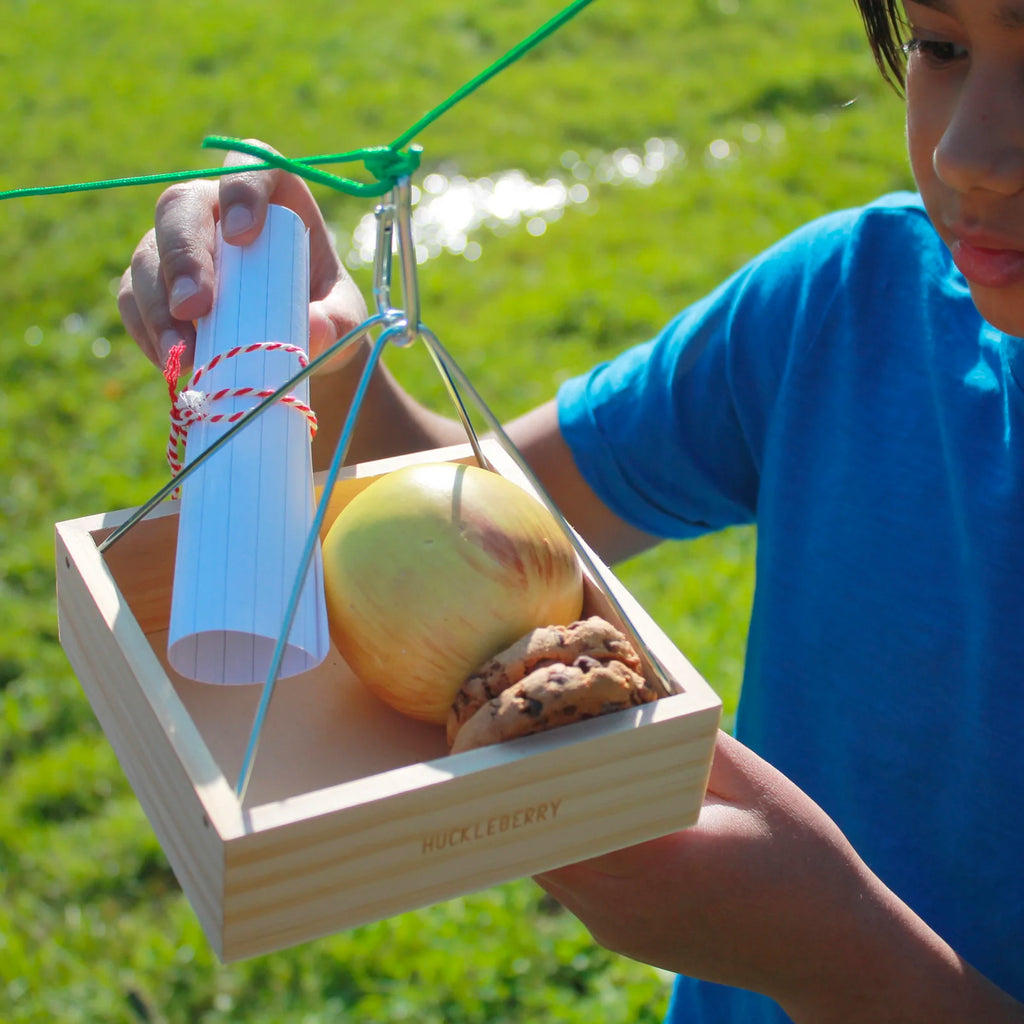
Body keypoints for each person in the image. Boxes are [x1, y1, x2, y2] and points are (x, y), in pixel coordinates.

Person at [119, 0, 1024, 1019]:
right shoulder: (843, 306)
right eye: (942, 46)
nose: (966, 153)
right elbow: (493, 531)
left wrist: (843, 961)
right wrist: (326, 357)